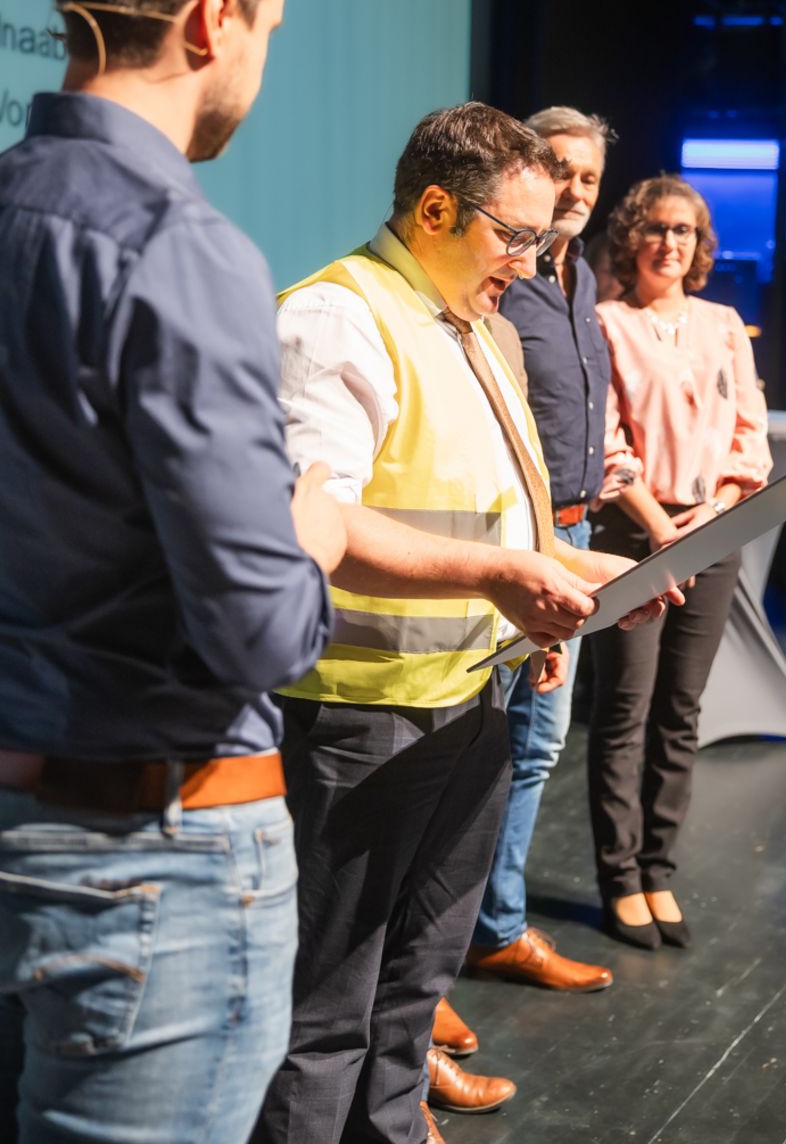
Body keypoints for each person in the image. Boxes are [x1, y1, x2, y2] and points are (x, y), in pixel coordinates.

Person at [0, 0, 347, 1143]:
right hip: (148, 871)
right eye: (267, 25)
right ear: (215, 16)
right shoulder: (179, 249)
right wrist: (308, 526)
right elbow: (258, 629)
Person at [256, 104, 678, 1144]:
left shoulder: (477, 327)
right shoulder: (335, 316)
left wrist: (585, 569)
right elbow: (321, 523)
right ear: (435, 207)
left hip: (472, 701)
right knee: (324, 1011)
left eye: (544, 242)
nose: (532, 266)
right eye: (515, 237)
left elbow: (496, 508)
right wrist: (500, 575)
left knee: (414, 988)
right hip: (358, 722)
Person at [587, 173, 771, 949]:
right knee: (624, 710)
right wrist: (663, 527)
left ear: (700, 247)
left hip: (715, 531)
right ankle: (619, 878)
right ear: (631, 237)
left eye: (685, 232)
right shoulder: (603, 322)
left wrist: (718, 513)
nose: (670, 242)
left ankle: (660, 870)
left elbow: (749, 436)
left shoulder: (725, 323)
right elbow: (605, 443)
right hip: (636, 534)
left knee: (682, 713)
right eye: (657, 228)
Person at [463, 106, 616, 996]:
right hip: (515, 536)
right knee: (477, 751)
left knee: (534, 748)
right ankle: (442, 955)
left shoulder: (579, 279)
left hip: (576, 529)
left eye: (589, 176)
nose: (574, 190)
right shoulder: (496, 278)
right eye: (560, 169)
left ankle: (495, 928)